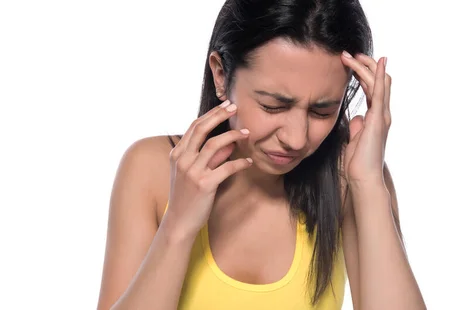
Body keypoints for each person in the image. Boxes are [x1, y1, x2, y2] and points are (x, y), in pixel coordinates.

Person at [97, 0, 426, 309]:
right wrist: (178, 227)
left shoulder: (349, 180)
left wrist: (368, 182)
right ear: (221, 75)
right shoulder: (150, 170)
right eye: (274, 106)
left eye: (322, 111)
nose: (295, 139)